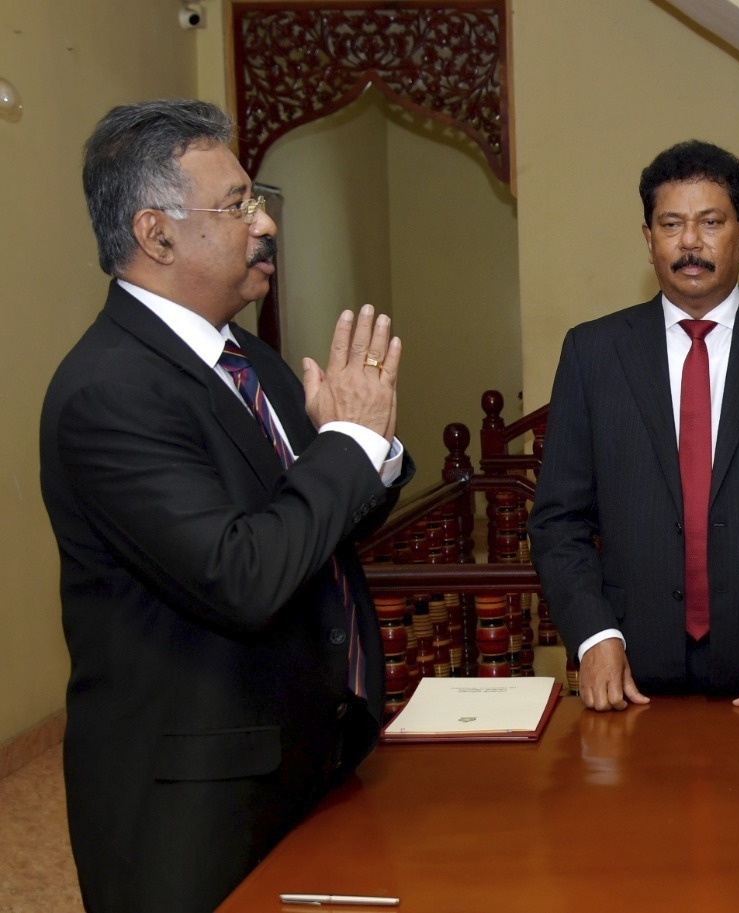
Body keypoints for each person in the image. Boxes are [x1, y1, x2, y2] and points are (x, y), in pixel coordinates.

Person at [40, 100, 414, 913]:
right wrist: (346, 443)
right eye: (239, 204)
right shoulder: (109, 392)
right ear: (157, 233)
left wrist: (368, 451)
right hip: (194, 803)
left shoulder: (247, 359)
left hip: (302, 758)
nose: (265, 224)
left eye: (259, 198)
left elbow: (312, 531)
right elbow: (243, 573)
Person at [529, 140, 739, 713]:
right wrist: (594, 636)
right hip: (629, 680)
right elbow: (558, 522)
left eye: (711, 222)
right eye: (671, 224)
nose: (690, 242)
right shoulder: (592, 354)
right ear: (648, 240)